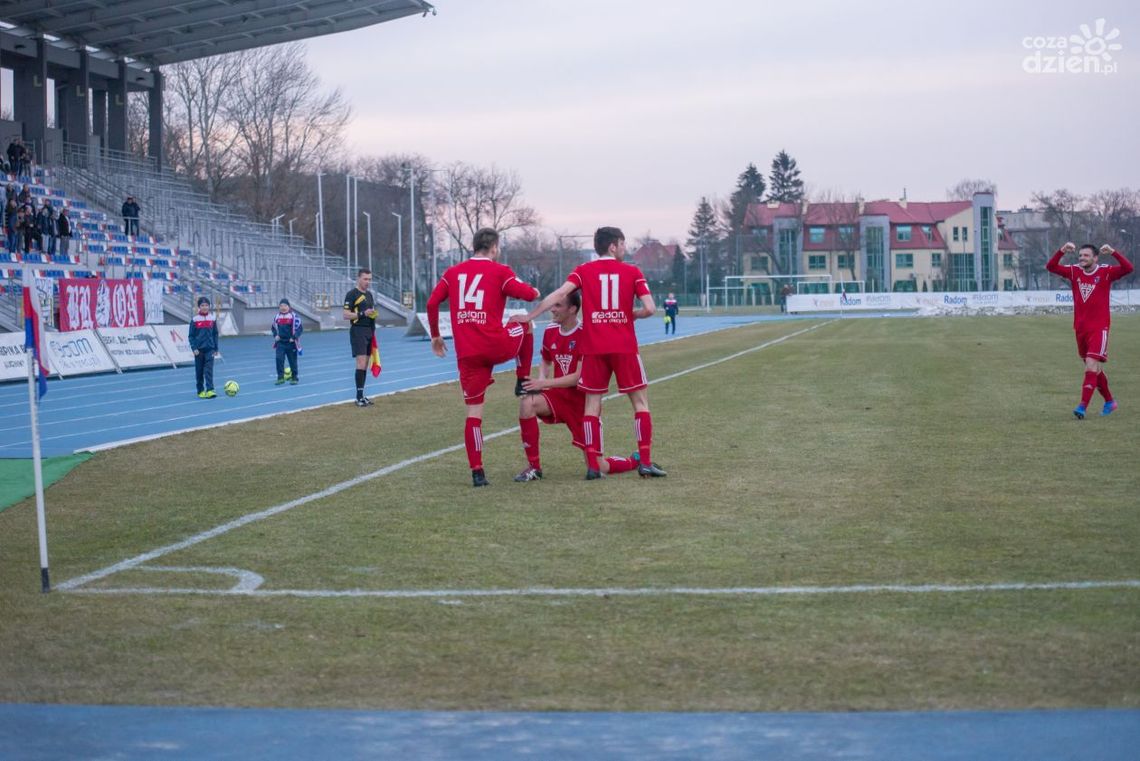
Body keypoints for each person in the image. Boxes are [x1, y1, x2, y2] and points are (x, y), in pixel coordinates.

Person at [513, 226, 666, 480]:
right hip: (624, 345)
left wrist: (530, 316)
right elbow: (650, 308)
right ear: (613, 246)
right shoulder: (632, 271)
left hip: (594, 348)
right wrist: (633, 315)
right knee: (640, 403)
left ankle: (593, 466)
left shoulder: (583, 270)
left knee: (592, 406)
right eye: (622, 244)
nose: (624, 249)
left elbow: (560, 293)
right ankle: (646, 462)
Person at [426, 227, 539, 487]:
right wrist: (534, 290)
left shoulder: (452, 273)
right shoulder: (500, 271)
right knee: (525, 324)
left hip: (467, 353)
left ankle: (477, 473)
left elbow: (432, 303)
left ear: (474, 246)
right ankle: (522, 379)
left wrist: (436, 336)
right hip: (494, 344)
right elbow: (528, 294)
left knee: (474, 414)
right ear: (494, 247)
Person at [513, 289, 639, 482]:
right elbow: (546, 360)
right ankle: (534, 468)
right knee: (527, 403)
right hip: (558, 397)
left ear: (572, 309)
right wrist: (540, 382)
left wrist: (543, 382)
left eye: (558, 305)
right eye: (552, 305)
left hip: (583, 405)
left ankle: (634, 461)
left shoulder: (586, 334)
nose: (552, 309)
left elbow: (578, 377)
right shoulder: (550, 330)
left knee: (598, 467)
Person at [1046, 242, 1133, 418]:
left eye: (1086, 255)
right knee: (1093, 368)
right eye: (1080, 255)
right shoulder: (1074, 271)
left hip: (1099, 328)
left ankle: (1082, 407)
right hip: (1080, 328)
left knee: (1091, 365)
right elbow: (1051, 267)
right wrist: (1062, 250)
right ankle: (1110, 401)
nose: (1082, 258)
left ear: (1095, 258)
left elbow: (1128, 268)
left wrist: (1113, 252)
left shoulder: (1106, 272)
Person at [343, 268, 379, 406]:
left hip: (369, 331)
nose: (367, 282)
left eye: (369, 279)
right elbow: (346, 315)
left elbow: (369, 313)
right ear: (358, 278)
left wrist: (372, 316)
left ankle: (362, 395)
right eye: (365, 279)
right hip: (358, 330)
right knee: (361, 363)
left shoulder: (369, 295)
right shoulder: (352, 294)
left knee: (365, 364)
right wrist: (363, 314)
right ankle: (358, 397)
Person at [189, 296, 220, 398]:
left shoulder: (212, 318)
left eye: (206, 305)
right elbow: (191, 336)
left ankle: (210, 390)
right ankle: (200, 390)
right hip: (199, 351)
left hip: (209, 349)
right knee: (199, 371)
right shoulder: (195, 320)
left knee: (209, 370)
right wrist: (194, 348)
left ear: (209, 306)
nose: (205, 307)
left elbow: (215, 334)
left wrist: (216, 348)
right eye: (202, 305)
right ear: (199, 307)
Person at [272, 298, 302, 385]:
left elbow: (300, 329)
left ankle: (294, 377)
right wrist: (275, 335)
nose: (283, 307)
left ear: (289, 307)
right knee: (279, 359)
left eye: (285, 305)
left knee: (292, 361)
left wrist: (294, 337)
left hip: (291, 343)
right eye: (281, 306)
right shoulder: (277, 317)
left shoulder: (294, 317)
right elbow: (273, 328)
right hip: (280, 343)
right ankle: (280, 378)